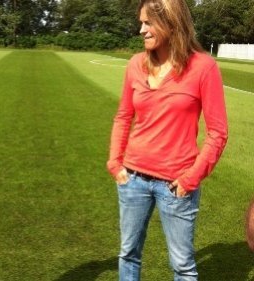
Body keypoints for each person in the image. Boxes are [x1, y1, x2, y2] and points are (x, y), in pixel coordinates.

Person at [107, 0, 228, 280]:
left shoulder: (203, 67)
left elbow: (218, 132)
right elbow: (123, 117)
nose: (141, 30)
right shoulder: (136, 64)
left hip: (176, 187)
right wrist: (115, 163)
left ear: (171, 23)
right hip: (132, 180)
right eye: (141, 22)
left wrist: (190, 179)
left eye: (148, 23)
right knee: (128, 254)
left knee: (183, 266)